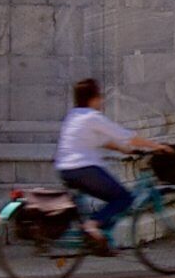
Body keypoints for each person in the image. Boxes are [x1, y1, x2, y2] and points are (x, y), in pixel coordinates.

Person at [56, 79, 160, 247]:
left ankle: (96, 234)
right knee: (123, 197)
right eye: (100, 96)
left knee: (111, 198)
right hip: (84, 169)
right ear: (93, 98)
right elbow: (128, 136)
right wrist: (158, 146)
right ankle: (92, 225)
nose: (102, 100)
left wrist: (124, 150)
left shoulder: (74, 115)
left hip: (66, 168)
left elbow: (103, 140)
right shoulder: (93, 117)